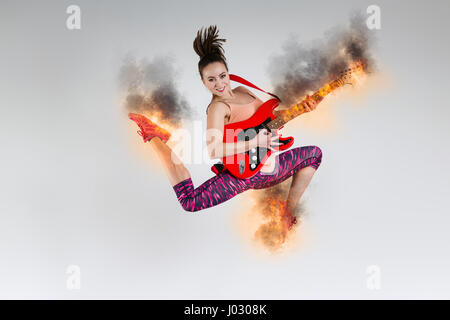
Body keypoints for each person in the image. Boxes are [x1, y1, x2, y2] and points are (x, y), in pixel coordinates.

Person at [128, 25, 322, 232]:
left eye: (222, 76)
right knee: (189, 202)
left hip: (271, 169)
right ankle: (155, 136)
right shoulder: (217, 109)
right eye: (211, 80)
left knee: (314, 154)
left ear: (228, 73)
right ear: (203, 82)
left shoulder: (245, 90)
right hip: (243, 176)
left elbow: (270, 121)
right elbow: (215, 150)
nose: (219, 84)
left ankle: (287, 211)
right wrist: (256, 142)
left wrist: (303, 109)